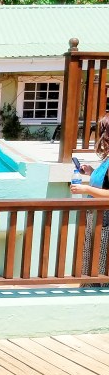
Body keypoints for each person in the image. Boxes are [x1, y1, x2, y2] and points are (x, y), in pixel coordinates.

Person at [71, 114, 109, 286]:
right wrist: (92, 171)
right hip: (96, 218)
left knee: (99, 264)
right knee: (90, 259)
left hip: (105, 222)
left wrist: (85, 189)